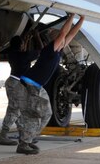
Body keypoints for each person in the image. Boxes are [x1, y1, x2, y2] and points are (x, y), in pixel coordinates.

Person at [16, 14, 85, 155]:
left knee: (45, 113)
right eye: (59, 38)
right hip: (30, 84)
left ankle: (27, 140)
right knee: (38, 114)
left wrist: (82, 19)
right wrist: (71, 16)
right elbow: (64, 32)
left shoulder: (59, 50)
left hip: (35, 85)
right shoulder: (50, 49)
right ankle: (24, 143)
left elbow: (71, 34)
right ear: (55, 39)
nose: (63, 39)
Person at [0, 28, 41, 146]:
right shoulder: (24, 55)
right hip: (17, 84)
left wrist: (25, 41)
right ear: (20, 45)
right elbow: (40, 50)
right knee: (14, 110)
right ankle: (3, 136)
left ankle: (24, 137)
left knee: (19, 111)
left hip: (12, 82)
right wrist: (37, 36)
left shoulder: (12, 54)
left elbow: (23, 51)